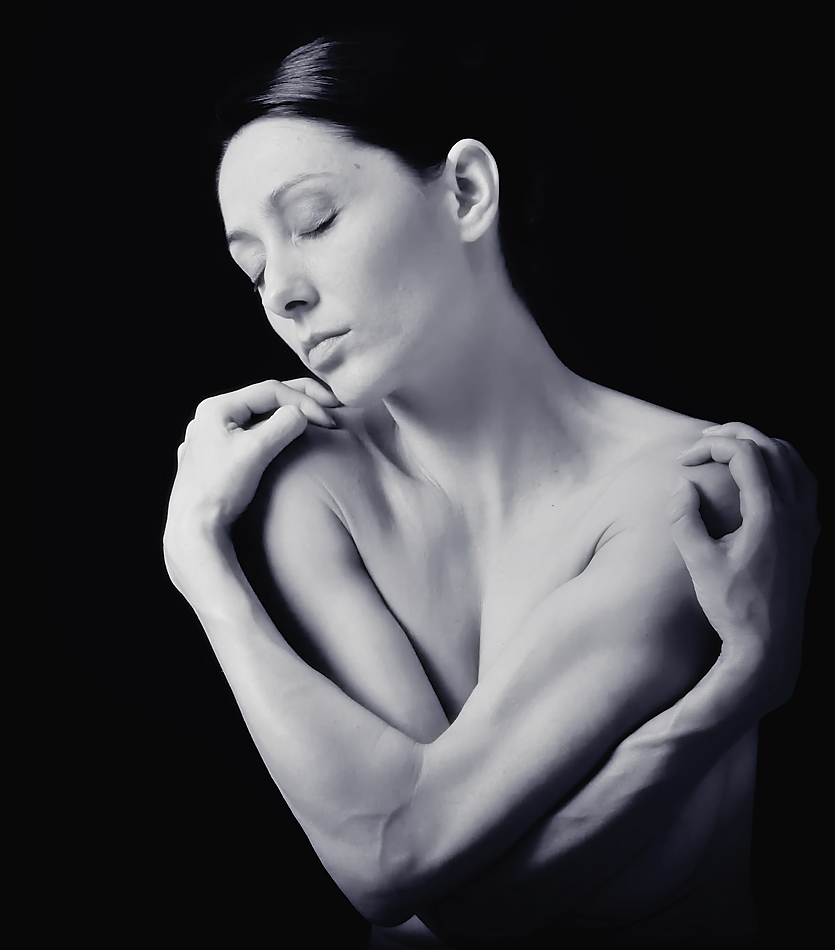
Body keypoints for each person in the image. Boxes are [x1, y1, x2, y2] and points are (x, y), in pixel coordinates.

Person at [163, 33, 819, 949]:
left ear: (466, 192)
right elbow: (415, 886)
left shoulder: (689, 492)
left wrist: (207, 574)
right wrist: (195, 556)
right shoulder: (314, 484)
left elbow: (408, 867)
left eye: (313, 221)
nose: (283, 295)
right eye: (254, 268)